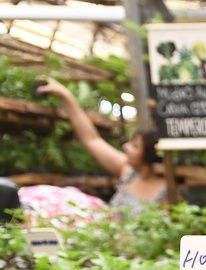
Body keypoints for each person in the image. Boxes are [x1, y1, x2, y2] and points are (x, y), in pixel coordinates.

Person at [36, 78, 167, 217]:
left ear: (149, 154)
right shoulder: (129, 173)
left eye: (135, 146)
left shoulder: (166, 191)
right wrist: (66, 96)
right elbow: (92, 139)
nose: (126, 147)